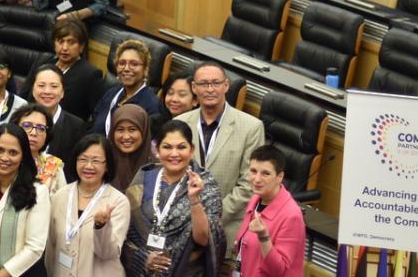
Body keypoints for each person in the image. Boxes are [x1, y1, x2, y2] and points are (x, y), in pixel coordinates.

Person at [171, 62, 266, 237]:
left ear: (226, 85)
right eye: (203, 84)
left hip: (226, 228)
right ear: (194, 87)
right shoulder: (180, 123)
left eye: (215, 83)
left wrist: (211, 217)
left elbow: (249, 183)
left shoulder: (251, 127)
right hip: (181, 226)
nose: (210, 89)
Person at [122, 121, 224, 277]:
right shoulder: (143, 177)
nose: (174, 154)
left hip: (185, 270)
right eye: (167, 147)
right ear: (157, 150)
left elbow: (204, 239)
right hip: (142, 269)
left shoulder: (206, 185)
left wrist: (195, 199)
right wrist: (144, 258)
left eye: (181, 147)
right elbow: (127, 233)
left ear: (192, 150)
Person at [0, 124, 51, 277]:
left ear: (23, 157)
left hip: (22, 272)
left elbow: (35, 247)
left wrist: (1, 275)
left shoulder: (38, 191)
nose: (5, 158)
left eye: (13, 152)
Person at [43, 135, 130, 277]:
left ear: (107, 165)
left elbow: (108, 253)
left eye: (96, 161)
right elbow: (52, 246)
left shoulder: (118, 202)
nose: (88, 166)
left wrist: (101, 227)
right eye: (83, 159)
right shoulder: (61, 195)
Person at [234, 146, 306, 277]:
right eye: (253, 171)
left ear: (280, 177)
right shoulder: (256, 199)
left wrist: (264, 237)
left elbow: (278, 270)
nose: (256, 179)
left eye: (265, 173)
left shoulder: (292, 216)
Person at [22, 65, 87, 180]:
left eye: (54, 86)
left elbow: (75, 170)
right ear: (33, 90)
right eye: (41, 86)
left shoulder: (76, 126)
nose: (47, 91)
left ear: (62, 92)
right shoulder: (21, 120)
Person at [92, 40, 162, 134]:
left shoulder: (152, 106)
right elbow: (94, 123)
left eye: (134, 64)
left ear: (145, 70)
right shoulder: (111, 93)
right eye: (122, 63)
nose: (126, 68)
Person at [43, 19, 109, 118]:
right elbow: (25, 95)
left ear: (81, 46)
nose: (65, 48)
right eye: (60, 41)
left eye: (71, 42)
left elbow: (99, 115)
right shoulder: (43, 62)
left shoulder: (90, 75)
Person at [8, 106, 63, 189]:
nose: (33, 133)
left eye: (41, 128)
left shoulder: (54, 165)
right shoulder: (3, 160)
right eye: (27, 126)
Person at [105, 104, 155, 192]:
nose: (126, 137)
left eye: (132, 130)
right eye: (120, 130)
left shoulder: (156, 167)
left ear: (144, 131)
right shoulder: (104, 163)